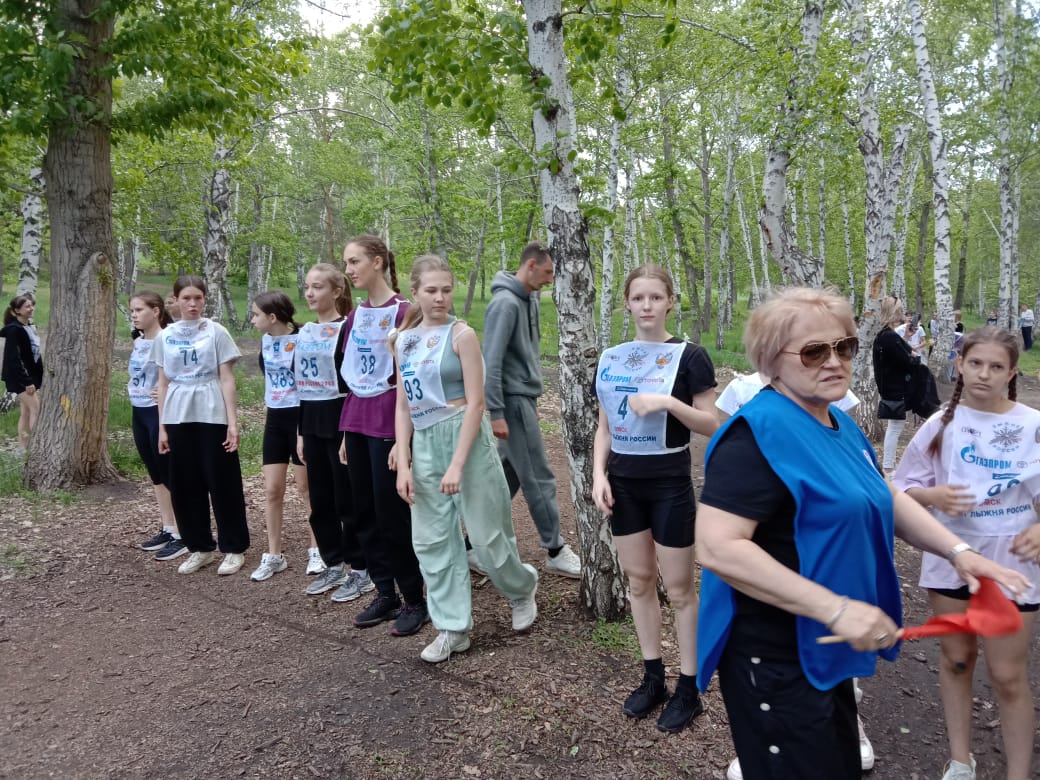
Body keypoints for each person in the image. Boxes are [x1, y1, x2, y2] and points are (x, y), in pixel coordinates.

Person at [695, 287, 1030, 780]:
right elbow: (717, 547)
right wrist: (836, 608)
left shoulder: (836, 420)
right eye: (814, 351)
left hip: (825, 645)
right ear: (771, 360)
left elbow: (884, 494)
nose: (834, 362)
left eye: (844, 346)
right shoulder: (756, 434)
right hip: (775, 653)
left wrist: (959, 552)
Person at [894, 326, 1040, 780]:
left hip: (1013, 559)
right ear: (959, 365)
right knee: (957, 659)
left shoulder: (1032, 425)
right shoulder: (941, 425)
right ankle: (961, 761)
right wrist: (933, 497)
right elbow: (899, 487)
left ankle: (1018, 773)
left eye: (996, 367)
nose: (984, 374)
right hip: (951, 555)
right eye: (975, 363)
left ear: (1011, 372)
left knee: (1008, 675)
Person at [591, 264, 718, 733]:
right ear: (627, 303)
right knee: (639, 580)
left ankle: (689, 687)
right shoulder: (612, 356)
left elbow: (713, 423)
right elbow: (604, 426)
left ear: (670, 302)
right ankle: (653, 678)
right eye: (638, 298)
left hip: (668, 483)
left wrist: (666, 403)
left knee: (680, 588)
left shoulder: (689, 356)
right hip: (623, 483)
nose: (646, 306)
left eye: (655, 298)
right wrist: (597, 475)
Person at [393, 255, 538, 664]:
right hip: (424, 445)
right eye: (431, 290)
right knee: (432, 541)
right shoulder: (402, 340)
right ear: (415, 293)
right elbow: (403, 406)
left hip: (466, 439)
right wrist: (404, 461)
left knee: (487, 537)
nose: (440, 298)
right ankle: (453, 628)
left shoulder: (462, 335)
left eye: (446, 289)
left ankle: (521, 587)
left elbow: (477, 404)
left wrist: (457, 463)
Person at [339, 235, 429, 635]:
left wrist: (402, 440)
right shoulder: (356, 315)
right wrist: (345, 432)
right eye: (345, 262)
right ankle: (384, 591)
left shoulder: (405, 312)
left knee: (391, 511)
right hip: (357, 416)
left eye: (355, 261)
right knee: (363, 510)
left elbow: (412, 377)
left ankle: (414, 597)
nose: (349, 269)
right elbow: (355, 372)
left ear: (378, 262)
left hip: (390, 419)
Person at [481, 240, 581, 579]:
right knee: (539, 476)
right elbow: (490, 362)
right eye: (549, 271)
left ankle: (471, 545)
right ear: (531, 266)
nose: (551, 279)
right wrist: (496, 411)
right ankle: (554, 549)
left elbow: (523, 357)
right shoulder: (505, 304)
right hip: (510, 403)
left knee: (507, 478)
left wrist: (531, 400)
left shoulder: (530, 299)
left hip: (523, 400)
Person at [155, 276, 250, 575]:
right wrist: (162, 427)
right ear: (176, 300)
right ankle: (199, 546)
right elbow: (163, 382)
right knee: (185, 484)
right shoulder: (166, 336)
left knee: (221, 481)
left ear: (205, 299)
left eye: (198, 298)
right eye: (187, 298)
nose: (193, 304)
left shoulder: (216, 332)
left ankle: (234, 548)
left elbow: (226, 378)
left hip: (211, 412)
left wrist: (232, 423)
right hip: (177, 413)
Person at [296, 263, 370, 601]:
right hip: (310, 418)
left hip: (339, 416)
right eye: (307, 287)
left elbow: (352, 380)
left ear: (336, 292)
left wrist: (346, 432)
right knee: (320, 498)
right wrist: (300, 431)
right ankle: (333, 562)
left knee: (346, 498)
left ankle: (361, 568)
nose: (310, 293)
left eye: (318, 287)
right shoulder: (306, 330)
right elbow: (301, 383)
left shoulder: (347, 327)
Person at [248, 291, 320, 582]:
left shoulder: (303, 341)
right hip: (275, 419)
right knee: (272, 490)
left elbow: (311, 385)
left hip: (301, 418)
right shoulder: (265, 342)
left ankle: (318, 549)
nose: (252, 319)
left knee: (306, 489)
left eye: (255, 314)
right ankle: (274, 555)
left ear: (272, 317)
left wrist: (303, 430)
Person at [127, 292, 185, 562]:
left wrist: (167, 389)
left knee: (171, 472)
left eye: (139, 310)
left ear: (157, 311)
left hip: (159, 414)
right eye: (132, 310)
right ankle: (169, 528)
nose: (135, 314)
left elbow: (182, 373)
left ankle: (187, 533)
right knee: (156, 475)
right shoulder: (139, 341)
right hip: (138, 411)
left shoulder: (167, 339)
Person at [873, 296, 916, 475]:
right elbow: (906, 359)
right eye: (899, 309)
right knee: (895, 427)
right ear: (894, 311)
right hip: (894, 387)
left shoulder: (884, 335)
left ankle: (889, 465)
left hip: (890, 386)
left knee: (895, 427)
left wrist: (905, 338)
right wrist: (913, 359)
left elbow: (902, 353)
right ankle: (889, 467)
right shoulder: (889, 336)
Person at [1, 294, 44, 456]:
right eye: (27, 306)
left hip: (29, 377)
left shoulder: (27, 326)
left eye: (31, 305)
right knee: (36, 409)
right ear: (16, 311)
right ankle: (36, 448)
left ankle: (22, 448)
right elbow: (13, 359)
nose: (31, 308)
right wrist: (26, 381)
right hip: (21, 379)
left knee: (26, 412)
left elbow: (31, 354)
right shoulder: (13, 330)